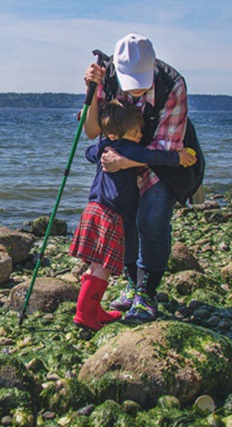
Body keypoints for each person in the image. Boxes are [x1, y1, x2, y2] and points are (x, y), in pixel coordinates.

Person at [82, 33, 191, 323]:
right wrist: (91, 93)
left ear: (153, 67)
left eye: (142, 83)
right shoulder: (106, 78)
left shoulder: (173, 84)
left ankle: (147, 292)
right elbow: (92, 133)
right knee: (124, 222)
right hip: (121, 164)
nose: (137, 91)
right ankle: (132, 285)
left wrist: (124, 161)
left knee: (152, 220)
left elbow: (165, 149)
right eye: (131, 83)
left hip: (161, 158)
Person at [71, 99, 196, 330]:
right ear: (121, 134)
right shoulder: (128, 148)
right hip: (111, 212)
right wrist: (179, 158)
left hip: (93, 209)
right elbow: (154, 157)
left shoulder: (105, 146)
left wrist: (103, 147)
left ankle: (92, 309)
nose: (140, 136)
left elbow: (89, 152)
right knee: (104, 268)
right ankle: (84, 315)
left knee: (95, 263)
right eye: (135, 132)